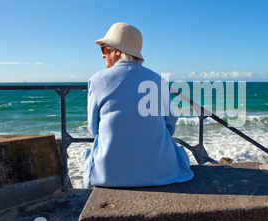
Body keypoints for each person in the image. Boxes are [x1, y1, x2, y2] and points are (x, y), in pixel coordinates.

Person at [83, 22, 194, 188]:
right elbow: (170, 124)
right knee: (180, 155)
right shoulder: (158, 80)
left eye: (104, 49)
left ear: (118, 50)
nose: (103, 55)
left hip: (109, 175)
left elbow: (94, 128)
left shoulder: (97, 80)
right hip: (161, 171)